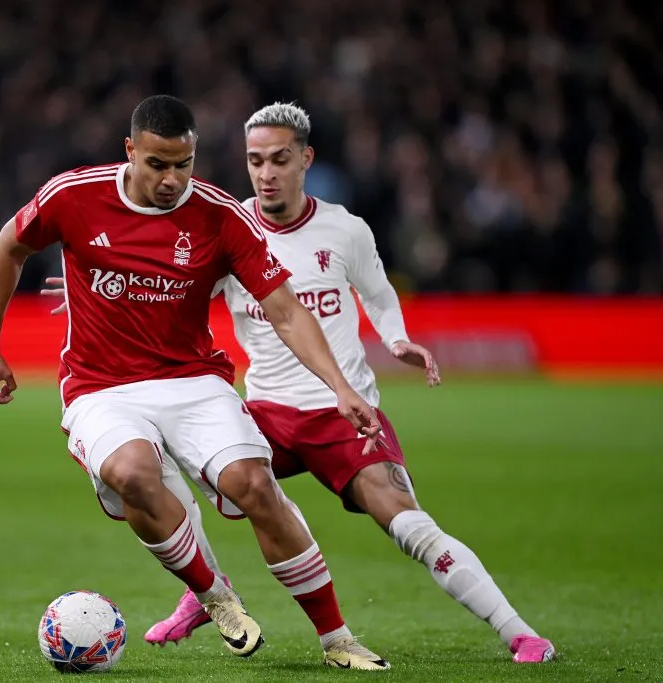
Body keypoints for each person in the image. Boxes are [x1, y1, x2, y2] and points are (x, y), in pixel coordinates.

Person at [41, 102, 557, 666]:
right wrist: (97, 289)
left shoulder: (344, 230)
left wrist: (395, 336)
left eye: (279, 160)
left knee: (407, 521)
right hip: (266, 412)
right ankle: (206, 592)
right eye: (255, 160)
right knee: (177, 469)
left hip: (338, 411)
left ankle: (516, 630)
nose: (265, 173)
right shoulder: (219, 224)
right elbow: (165, 285)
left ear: (304, 160)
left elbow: (379, 294)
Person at [0, 95, 390, 669]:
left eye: (183, 165)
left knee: (255, 486)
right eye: (158, 165)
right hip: (101, 386)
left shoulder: (219, 215)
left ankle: (337, 638)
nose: (172, 180)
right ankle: (216, 597)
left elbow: (287, 310)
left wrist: (342, 389)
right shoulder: (74, 195)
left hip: (193, 379)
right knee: (130, 473)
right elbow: (9, 246)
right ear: (131, 151)